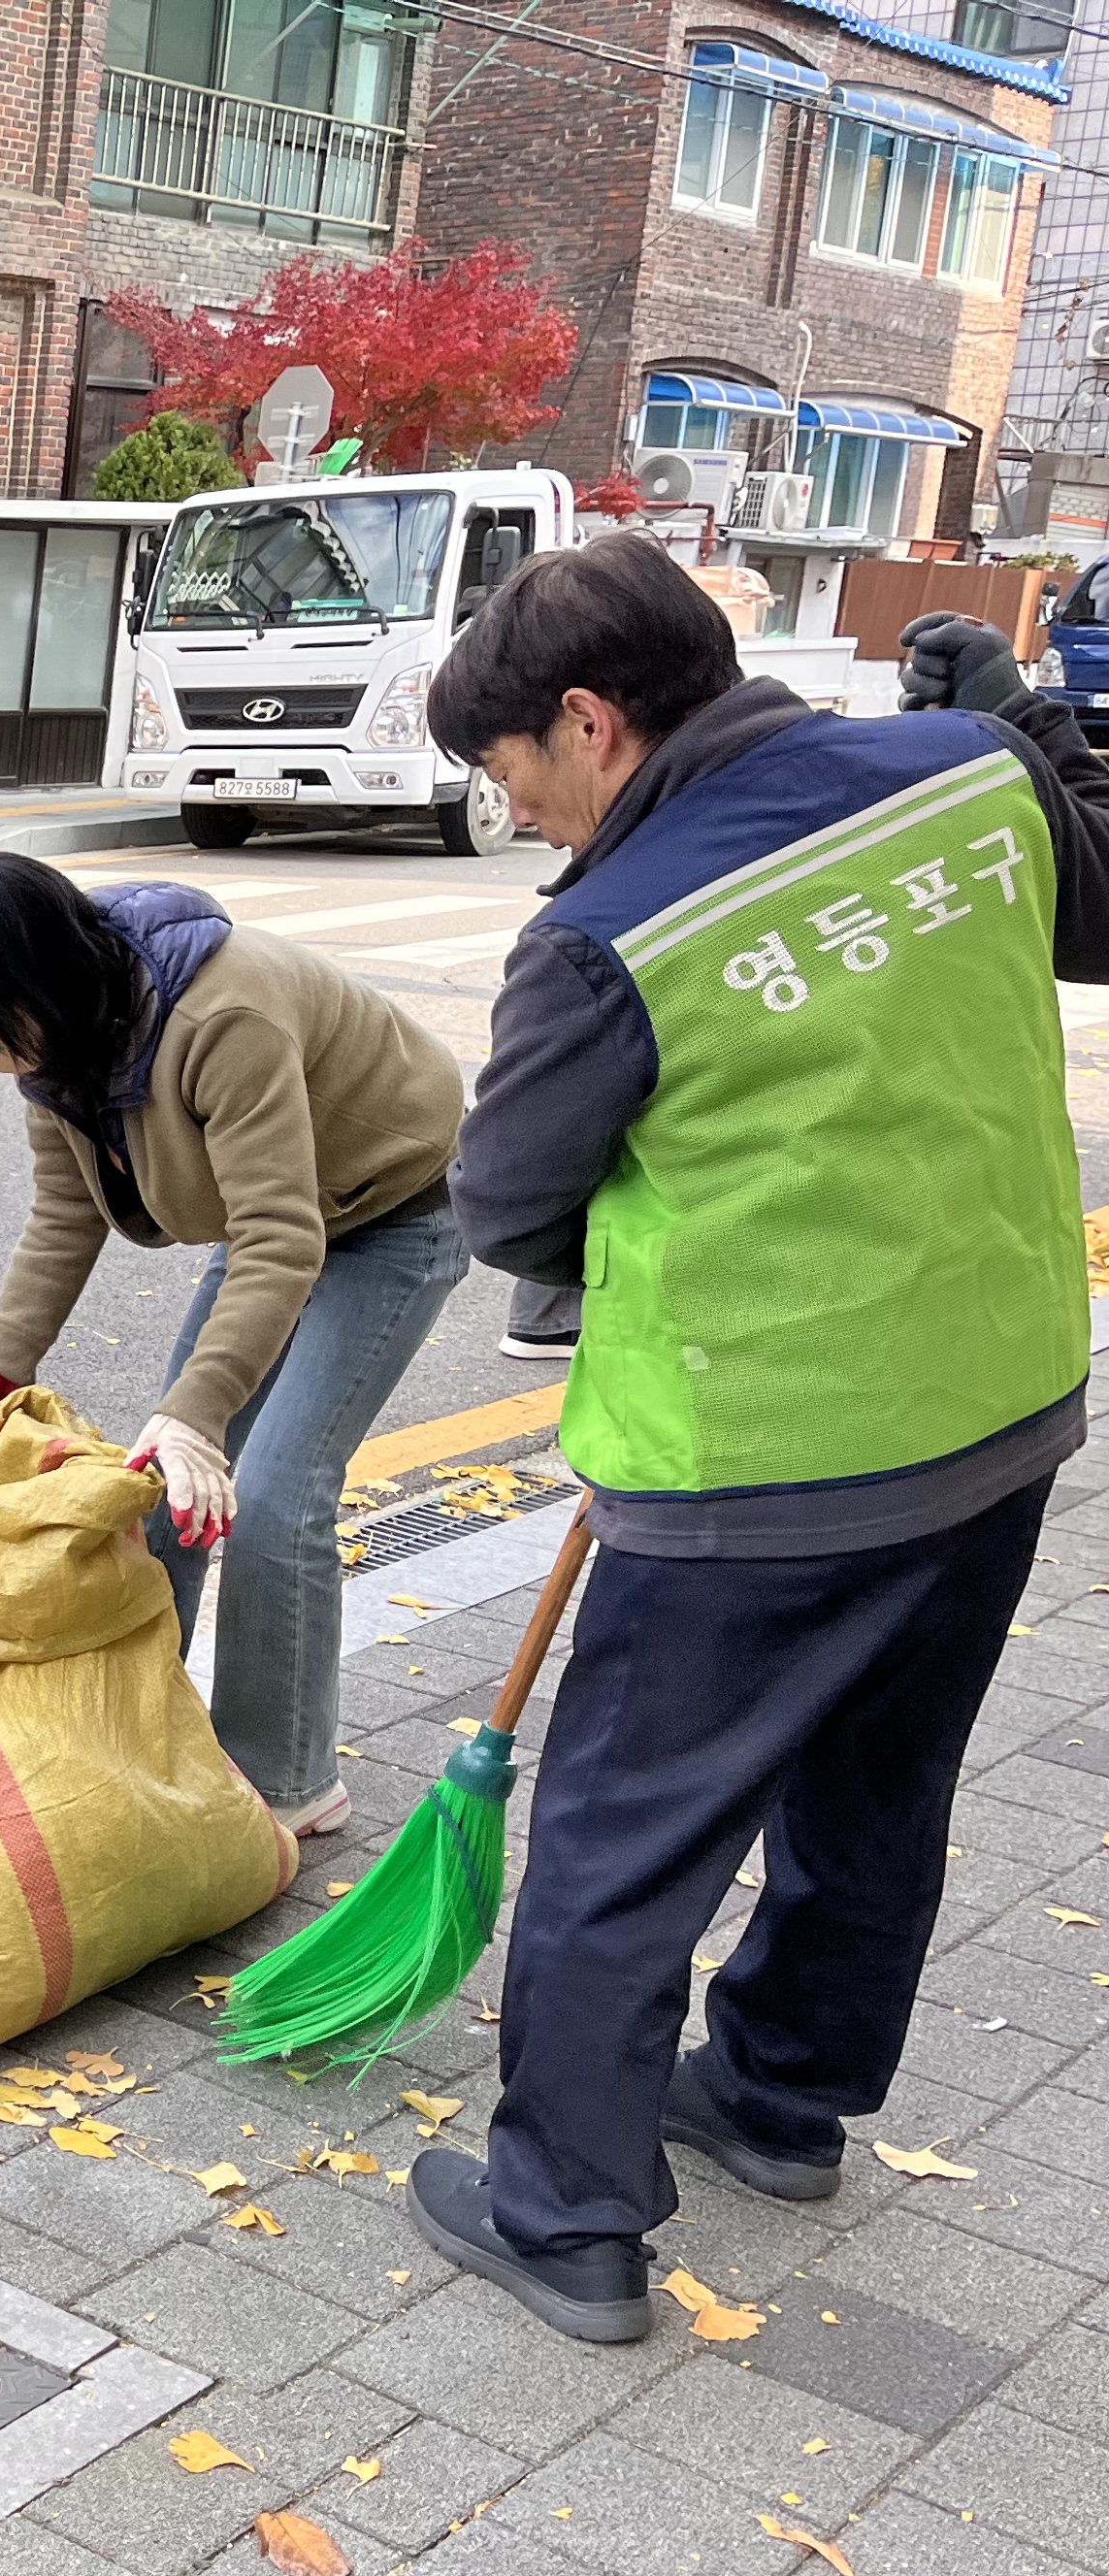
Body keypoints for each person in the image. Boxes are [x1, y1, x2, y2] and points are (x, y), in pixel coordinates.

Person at [400, 536, 1109, 2343]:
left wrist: (588, 1269)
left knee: (622, 1840)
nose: (526, 817)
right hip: (996, 1398)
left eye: (514, 775)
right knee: (878, 1786)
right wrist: (1019, 714)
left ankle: (564, 2208)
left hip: (755, 1455)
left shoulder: (601, 932)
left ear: (587, 719)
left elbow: (503, 1199)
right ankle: (780, 2101)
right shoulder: (969, 773)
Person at [0, 850, 467, 1835]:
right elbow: (66, 1215)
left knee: (276, 1498)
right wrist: (4, 1359)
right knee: (162, 1486)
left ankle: (284, 1783)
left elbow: (287, 1239)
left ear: (34, 987)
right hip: (272, 1226)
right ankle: (138, 1733)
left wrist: (197, 1413)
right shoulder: (58, 1047)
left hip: (388, 1213)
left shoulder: (219, 1018)